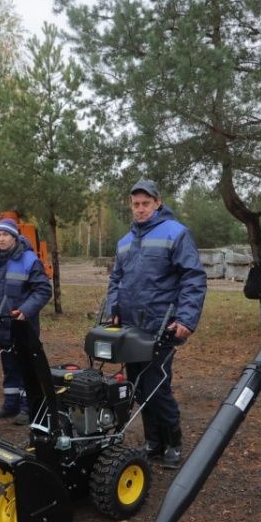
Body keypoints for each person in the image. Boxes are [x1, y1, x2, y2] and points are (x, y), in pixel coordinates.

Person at [105, 179, 207, 469]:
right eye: (136, 204)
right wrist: (114, 308)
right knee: (138, 386)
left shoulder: (176, 234)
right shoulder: (125, 242)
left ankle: (173, 442)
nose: (140, 209)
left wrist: (186, 318)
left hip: (162, 326)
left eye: (145, 204)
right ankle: (153, 441)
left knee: (157, 386)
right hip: (130, 327)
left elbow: (193, 278)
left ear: (157, 202)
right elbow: (116, 280)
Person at [0, 217, 52, 426]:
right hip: (2, 325)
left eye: (5, 234)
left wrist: (25, 311)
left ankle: (29, 407)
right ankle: (11, 404)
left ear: (15, 237)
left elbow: (43, 290)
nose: (1, 238)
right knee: (9, 367)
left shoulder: (28, 260)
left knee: (27, 367)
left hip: (22, 325)